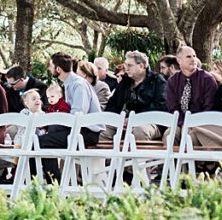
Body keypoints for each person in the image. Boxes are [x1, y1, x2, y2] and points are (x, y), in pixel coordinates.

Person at [35, 53, 103, 181]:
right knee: (39, 138)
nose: (49, 69)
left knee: (42, 142)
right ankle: (51, 181)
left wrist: (52, 120)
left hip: (87, 132)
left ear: (58, 69)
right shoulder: (68, 83)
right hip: (77, 130)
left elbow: (77, 116)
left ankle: (55, 184)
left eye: (50, 66)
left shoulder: (79, 85)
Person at [102, 51, 168, 144]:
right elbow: (112, 104)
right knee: (102, 129)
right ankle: (108, 158)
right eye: (126, 65)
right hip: (123, 120)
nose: (126, 68)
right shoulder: (125, 82)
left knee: (140, 130)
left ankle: (139, 159)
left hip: (151, 122)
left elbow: (160, 106)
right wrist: (118, 119)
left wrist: (134, 119)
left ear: (141, 66)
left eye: (129, 65)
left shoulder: (157, 81)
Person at [164, 46, 221, 148]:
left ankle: (197, 164)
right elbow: (173, 108)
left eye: (194, 56)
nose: (193, 59)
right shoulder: (172, 81)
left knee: (191, 136)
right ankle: (173, 164)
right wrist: (183, 124)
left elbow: (209, 107)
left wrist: (193, 124)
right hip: (180, 122)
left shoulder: (207, 79)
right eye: (188, 57)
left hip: (202, 123)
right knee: (169, 135)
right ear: (179, 60)